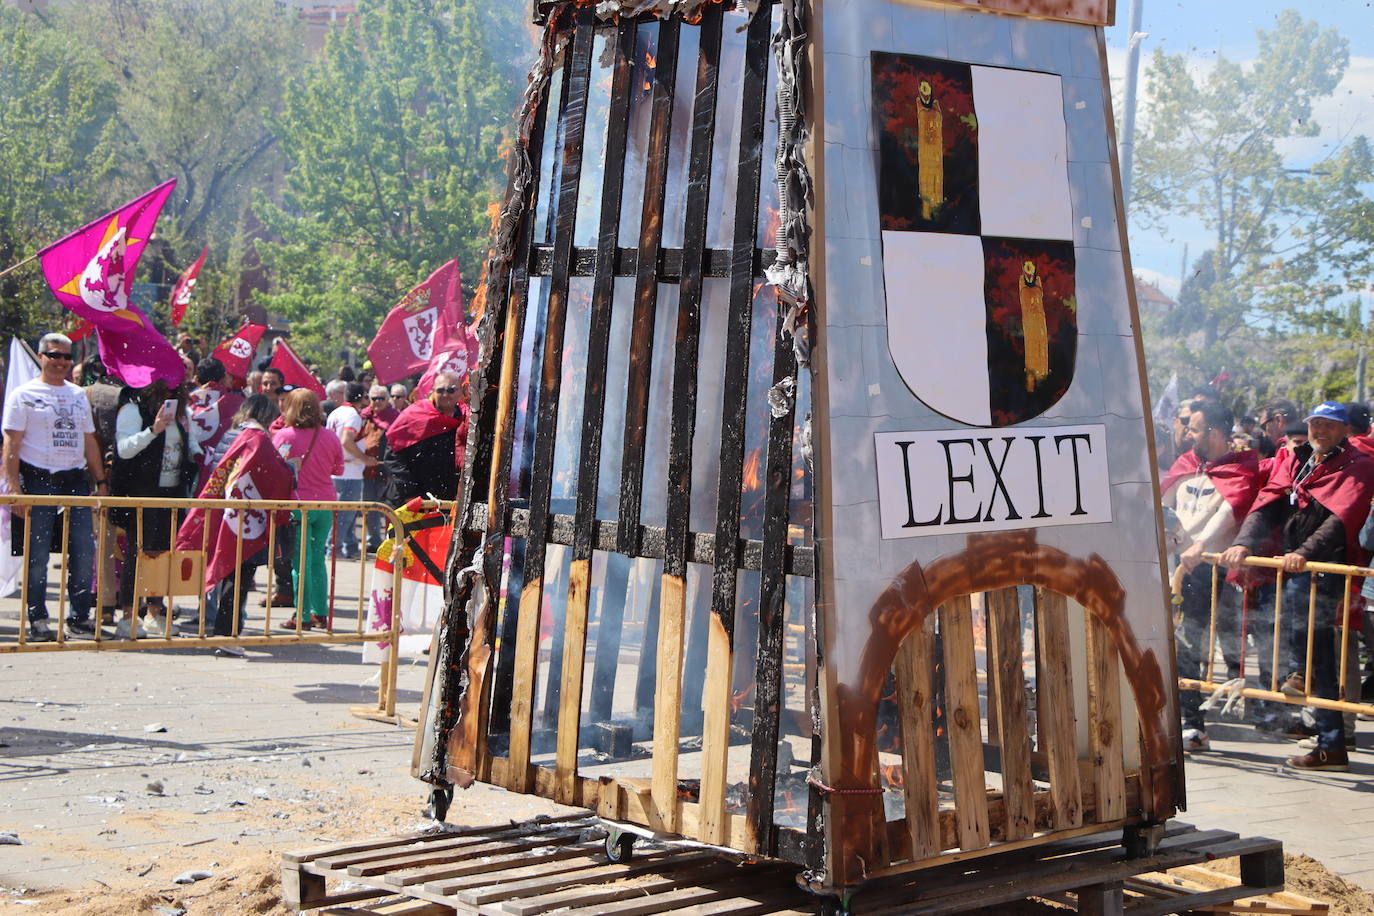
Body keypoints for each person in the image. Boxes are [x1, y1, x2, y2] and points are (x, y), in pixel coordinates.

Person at [1221, 402, 1374, 771]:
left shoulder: (1359, 464)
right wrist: (1244, 542)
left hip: (1325, 569)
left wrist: (1304, 554)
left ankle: (1327, 734)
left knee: (1316, 654)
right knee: (1303, 645)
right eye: (1315, 424)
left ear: (1344, 429)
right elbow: (1269, 504)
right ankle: (1327, 738)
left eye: (1329, 425)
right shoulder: (1298, 459)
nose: (1320, 431)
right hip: (1295, 568)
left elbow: (1341, 519)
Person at [1161, 400, 1261, 752]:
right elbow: (1167, 505)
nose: (1188, 433)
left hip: (1213, 572)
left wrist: (1199, 546)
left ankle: (1194, 724)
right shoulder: (1185, 464)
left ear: (1215, 432)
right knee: (1179, 646)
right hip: (1177, 567)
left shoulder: (1242, 469)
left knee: (1197, 645)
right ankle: (1185, 720)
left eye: (1195, 428)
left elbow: (1228, 515)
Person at [1, 333, 105, 640]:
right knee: (38, 554)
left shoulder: (77, 395)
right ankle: (38, 619)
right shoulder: (23, 394)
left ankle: (80, 616)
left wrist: (100, 482)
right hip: (38, 478)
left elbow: (89, 440)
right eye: (53, 355)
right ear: (41, 356)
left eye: (66, 357)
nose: (60, 362)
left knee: (85, 551)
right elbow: (11, 442)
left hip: (74, 478)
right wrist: (14, 489)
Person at [177, 394, 294, 654]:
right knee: (238, 578)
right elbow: (273, 476)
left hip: (229, 515)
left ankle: (223, 629)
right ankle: (227, 634)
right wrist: (288, 470)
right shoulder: (259, 439)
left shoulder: (235, 434)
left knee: (231, 576)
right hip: (244, 519)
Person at [110, 379, 198, 638]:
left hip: (170, 495)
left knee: (161, 556)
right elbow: (124, 450)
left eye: (176, 387)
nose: (172, 391)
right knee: (138, 556)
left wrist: (199, 454)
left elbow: (186, 446)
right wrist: (154, 429)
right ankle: (127, 617)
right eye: (166, 386)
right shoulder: (132, 409)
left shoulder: (181, 413)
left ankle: (154, 614)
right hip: (141, 494)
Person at [272, 389, 343, 629]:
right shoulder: (330, 437)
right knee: (317, 559)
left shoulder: (284, 437)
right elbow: (339, 469)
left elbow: (275, 471)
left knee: (299, 564)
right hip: (325, 503)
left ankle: (302, 615)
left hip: (298, 505)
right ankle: (320, 612)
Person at [380, 372, 467, 506]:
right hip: (410, 500)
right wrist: (410, 493)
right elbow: (392, 457)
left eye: (451, 390)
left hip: (447, 500)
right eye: (440, 390)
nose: (445, 394)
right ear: (432, 391)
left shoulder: (466, 418)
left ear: (460, 392)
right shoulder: (415, 414)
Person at [325, 382, 378, 559]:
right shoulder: (353, 415)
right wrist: (365, 459)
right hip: (350, 471)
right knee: (345, 515)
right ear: (360, 397)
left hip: (337, 469)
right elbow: (346, 440)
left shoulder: (335, 412)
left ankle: (348, 547)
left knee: (341, 514)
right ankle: (334, 550)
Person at [186, 357, 244, 494]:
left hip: (184, 468)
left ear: (197, 379)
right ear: (223, 378)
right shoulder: (237, 404)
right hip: (220, 471)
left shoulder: (185, 401)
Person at [359, 384, 398, 552]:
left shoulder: (394, 417)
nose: (377, 402)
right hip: (368, 471)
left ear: (387, 400)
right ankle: (374, 541)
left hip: (387, 471)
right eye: (374, 398)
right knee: (370, 508)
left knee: (389, 509)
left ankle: (390, 541)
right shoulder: (364, 417)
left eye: (381, 398)